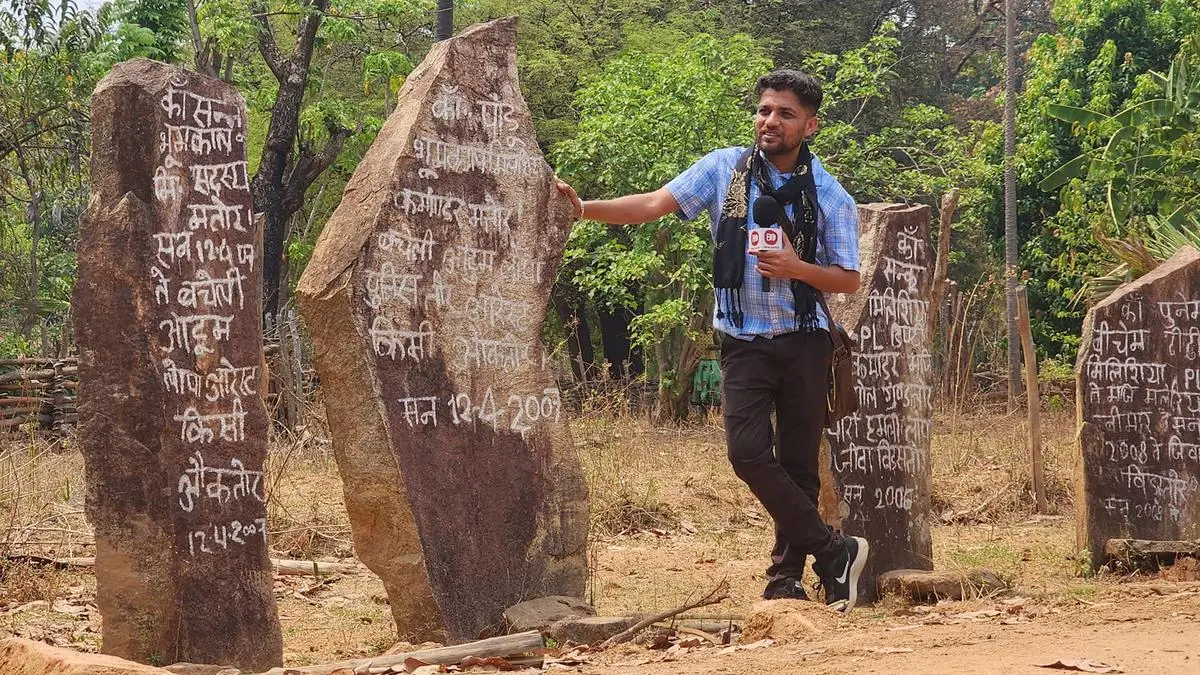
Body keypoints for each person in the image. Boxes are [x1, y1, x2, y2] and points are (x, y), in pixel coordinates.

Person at [555, 69, 869, 612]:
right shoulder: (725, 168)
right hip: (742, 337)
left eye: (785, 114)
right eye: (765, 110)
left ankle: (786, 579)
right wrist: (583, 209)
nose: (770, 121)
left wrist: (796, 266)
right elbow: (654, 203)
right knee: (746, 453)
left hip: (805, 340)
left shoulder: (832, 196)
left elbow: (846, 278)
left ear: (809, 126)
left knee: (798, 464)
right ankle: (834, 551)